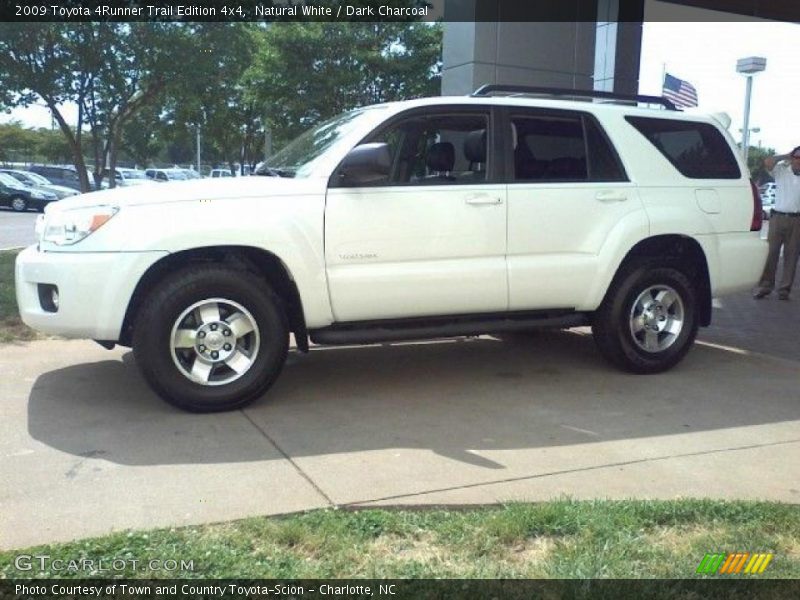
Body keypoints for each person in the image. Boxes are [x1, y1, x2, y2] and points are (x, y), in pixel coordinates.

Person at [754, 146, 800, 300]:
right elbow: (768, 162)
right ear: (792, 158)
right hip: (777, 218)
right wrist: (785, 155)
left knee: (792, 256)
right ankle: (765, 286)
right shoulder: (781, 171)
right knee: (771, 253)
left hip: (797, 220)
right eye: (796, 157)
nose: (798, 161)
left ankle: (784, 290)